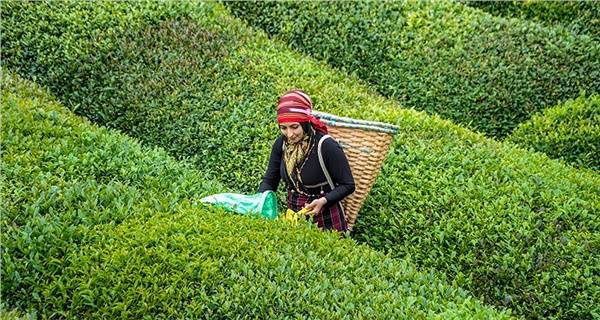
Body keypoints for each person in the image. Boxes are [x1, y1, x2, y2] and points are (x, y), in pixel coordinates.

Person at [258, 89, 355, 232]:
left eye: (294, 127)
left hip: (326, 219)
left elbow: (348, 185)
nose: (289, 134)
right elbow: (270, 180)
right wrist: (260, 202)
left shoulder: (326, 146)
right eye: (283, 128)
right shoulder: (281, 144)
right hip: (294, 218)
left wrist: (323, 201)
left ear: (305, 122)